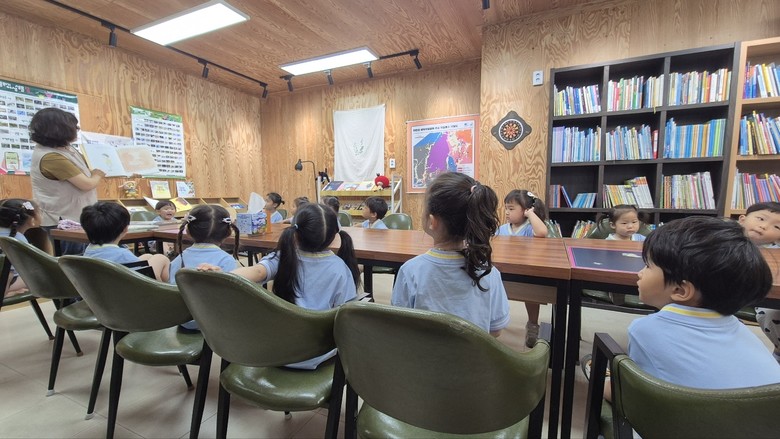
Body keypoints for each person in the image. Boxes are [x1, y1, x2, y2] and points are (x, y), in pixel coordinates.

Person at [625, 216, 780, 390]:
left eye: (647, 265)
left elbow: (633, 391)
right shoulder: (740, 327)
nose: (640, 273)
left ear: (680, 290)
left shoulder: (643, 329)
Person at [209, 203, 359, 369]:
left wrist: (221, 276)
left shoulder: (283, 257)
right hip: (315, 353)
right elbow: (346, 317)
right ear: (334, 236)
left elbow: (256, 272)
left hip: (274, 351)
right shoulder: (340, 268)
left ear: (295, 233)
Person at [391, 172, 510, 336]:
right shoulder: (490, 273)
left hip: (423, 353)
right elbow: (495, 330)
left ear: (432, 221)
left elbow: (398, 327)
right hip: (472, 354)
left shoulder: (410, 270)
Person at [29, 108, 105, 255]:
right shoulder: (51, 156)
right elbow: (86, 184)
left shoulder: (67, 148)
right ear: (60, 129)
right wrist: (98, 174)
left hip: (78, 216)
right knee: (74, 260)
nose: (77, 129)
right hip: (64, 220)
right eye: (73, 126)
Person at [171, 204, 240, 331]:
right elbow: (231, 299)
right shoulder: (226, 260)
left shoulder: (178, 259)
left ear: (188, 231)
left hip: (182, 320)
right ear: (228, 232)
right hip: (212, 323)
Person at [495, 189, 548, 347]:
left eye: (511, 209)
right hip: (504, 270)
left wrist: (531, 214)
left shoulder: (529, 228)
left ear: (525, 210)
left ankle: (532, 324)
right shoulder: (503, 229)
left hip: (525, 272)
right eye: (506, 208)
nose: (507, 212)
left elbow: (542, 232)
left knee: (531, 295)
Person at [80, 202, 170, 282]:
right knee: (160, 258)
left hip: (103, 285)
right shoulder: (122, 254)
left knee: (147, 256)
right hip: (132, 290)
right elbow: (142, 278)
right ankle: (164, 288)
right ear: (125, 229)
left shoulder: (89, 250)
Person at [739, 202, 780, 364]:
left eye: (777, 227)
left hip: (764, 296)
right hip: (724, 294)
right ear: (742, 219)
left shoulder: (775, 251)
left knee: (772, 315)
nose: (763, 226)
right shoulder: (725, 240)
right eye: (761, 219)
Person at [0, 199, 41, 297]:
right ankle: (8, 291)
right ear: (32, 220)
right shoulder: (18, 240)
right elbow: (9, 273)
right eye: (40, 212)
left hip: (5, 278)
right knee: (40, 274)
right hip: (5, 283)